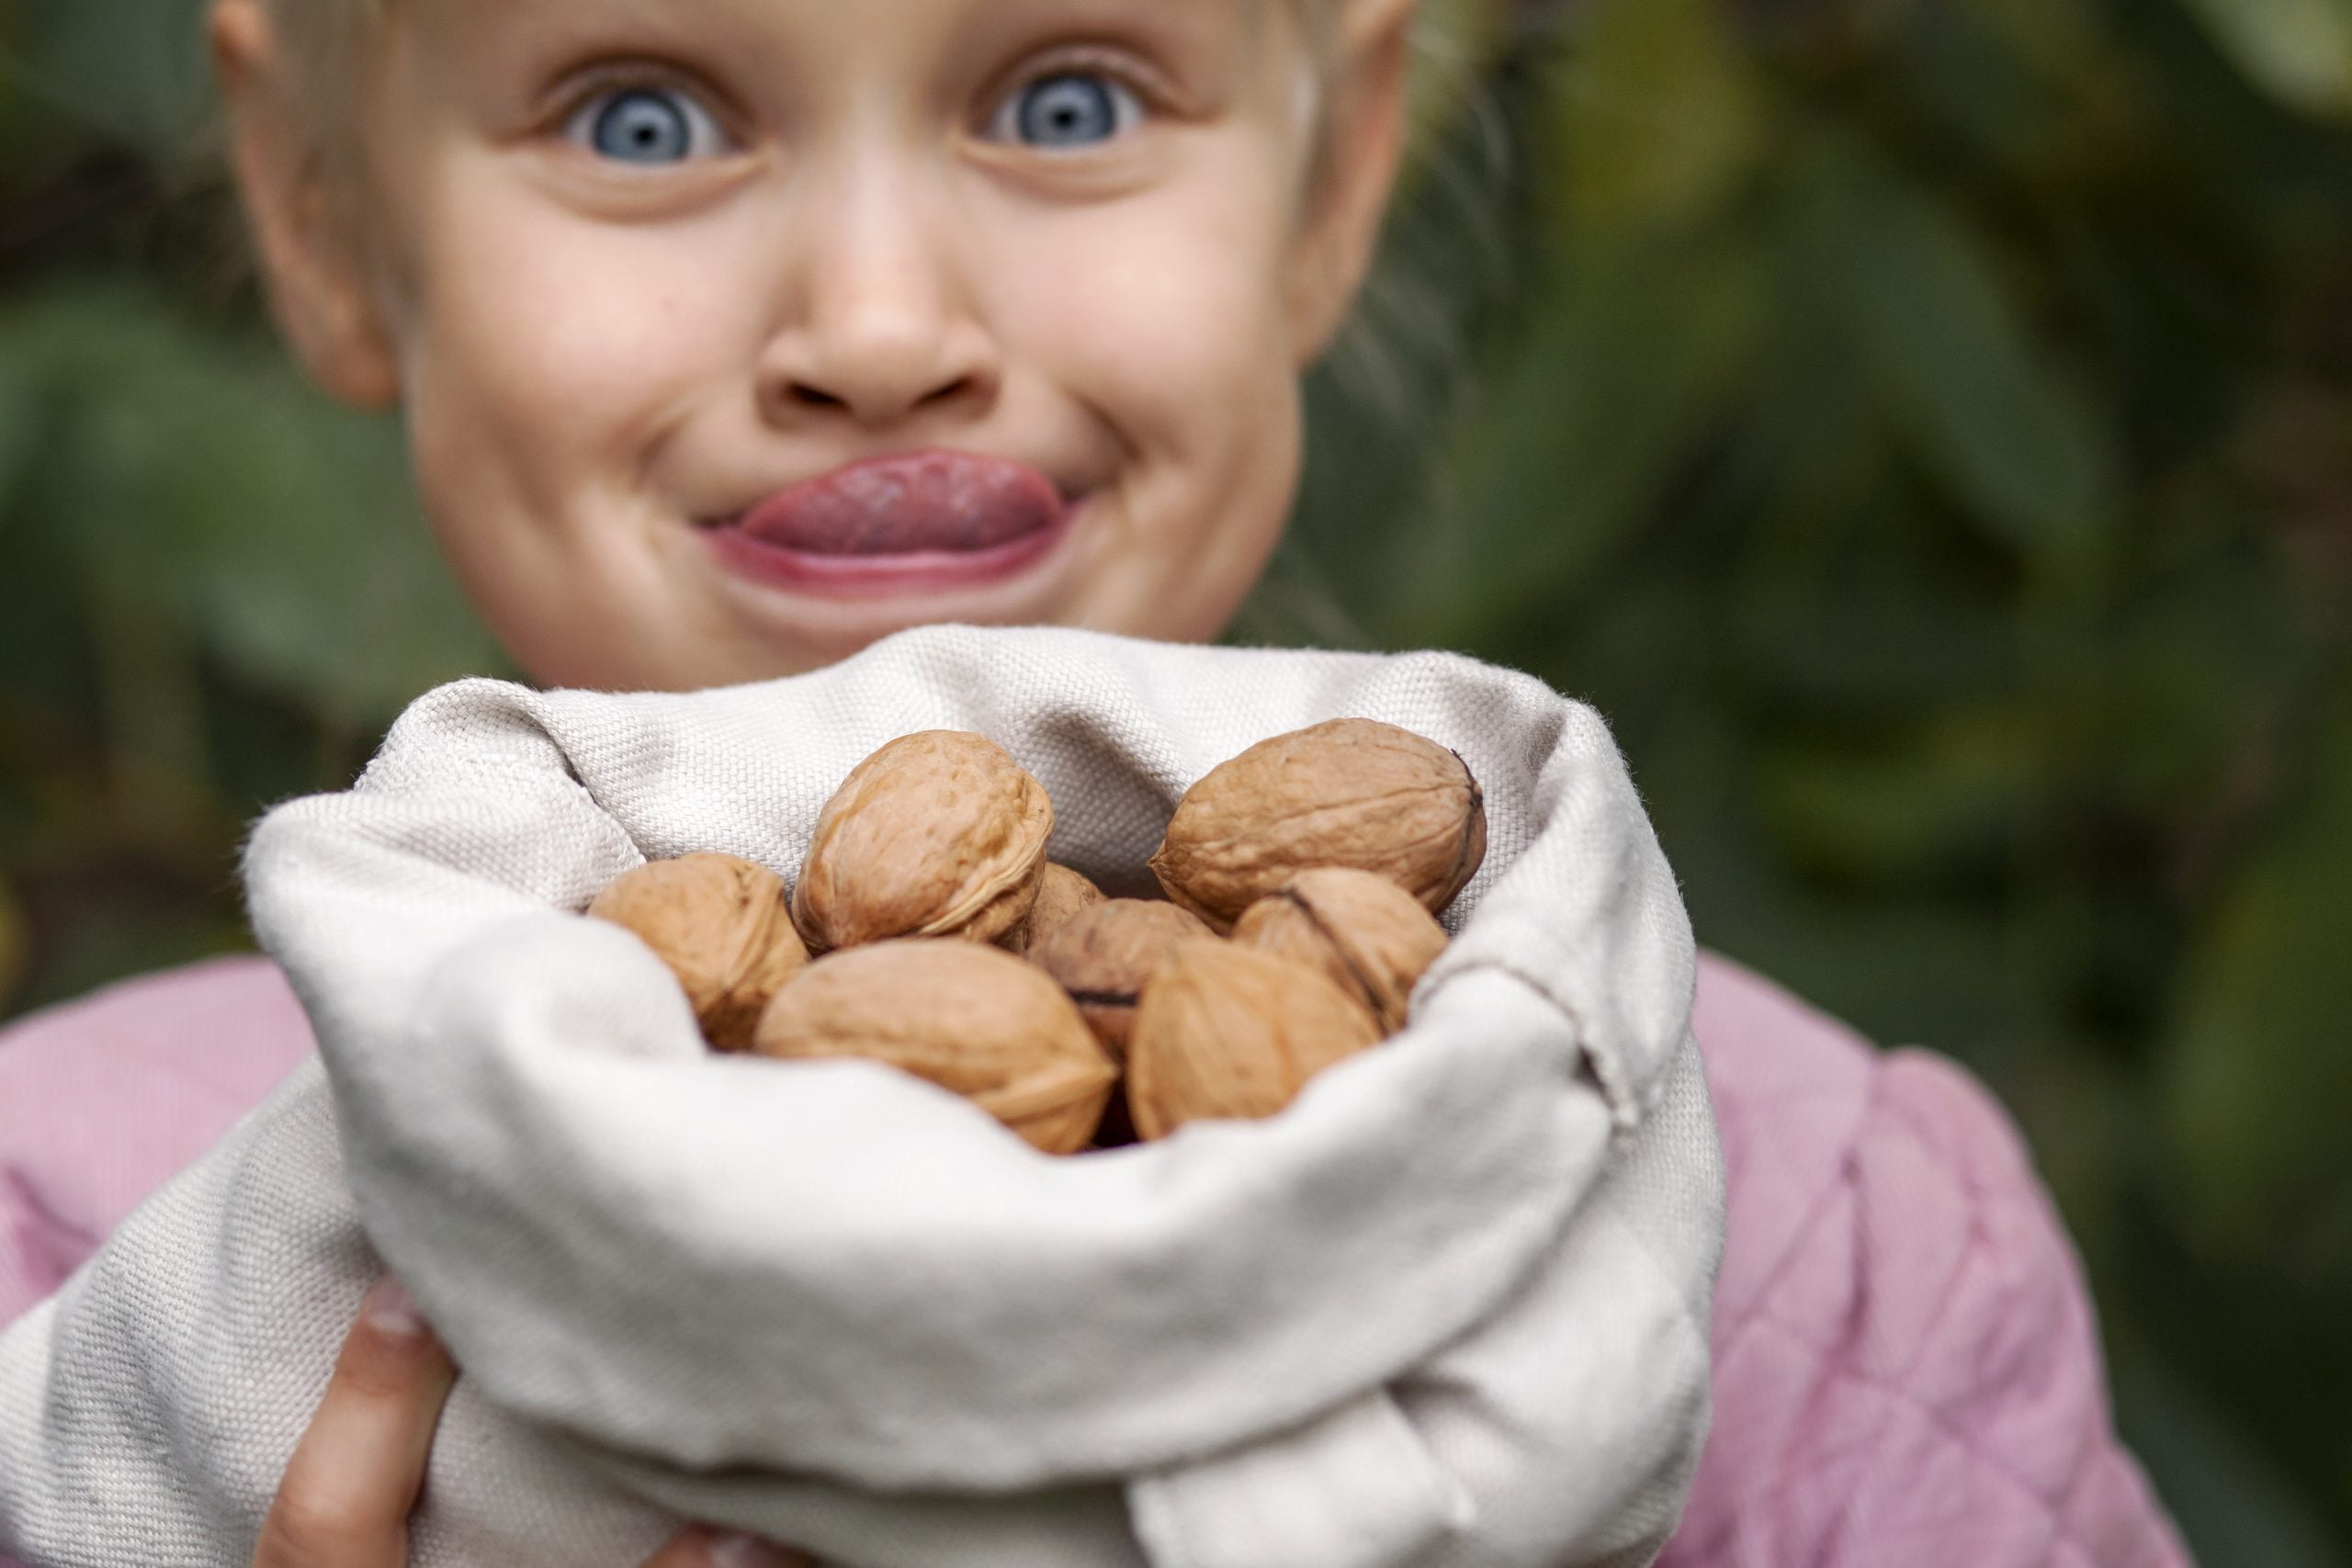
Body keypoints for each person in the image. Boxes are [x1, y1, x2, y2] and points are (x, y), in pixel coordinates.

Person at [0, 0, 2190, 1563]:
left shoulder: (1831, 1278)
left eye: (1065, 95)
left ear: (1333, 175)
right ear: (319, 207)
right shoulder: (64, 1268)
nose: (875, 322)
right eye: (640, 116)